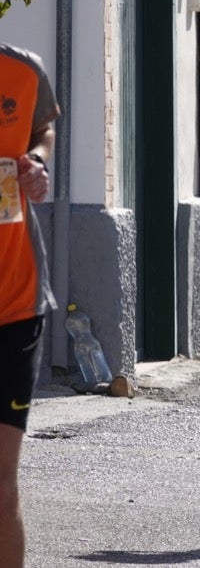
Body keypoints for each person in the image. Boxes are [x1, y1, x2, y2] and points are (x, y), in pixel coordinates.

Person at [0, 43, 60, 568]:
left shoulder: (22, 70)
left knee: (2, 488)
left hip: (15, 305)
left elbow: (44, 128)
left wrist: (37, 160)